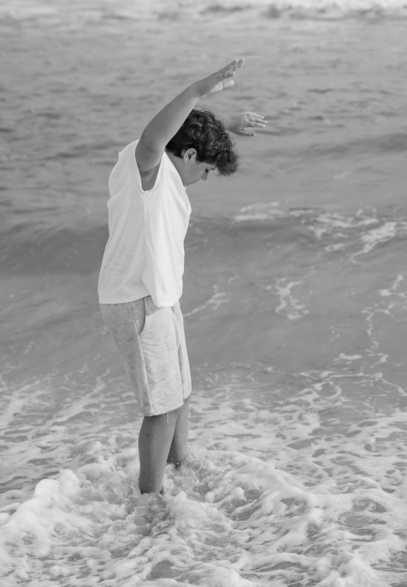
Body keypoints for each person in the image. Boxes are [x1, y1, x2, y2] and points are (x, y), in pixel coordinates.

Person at [98, 60, 265, 494]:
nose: (204, 180)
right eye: (206, 170)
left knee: (181, 395)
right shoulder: (147, 171)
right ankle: (150, 499)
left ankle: (181, 467)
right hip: (137, 300)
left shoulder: (168, 168)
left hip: (161, 298)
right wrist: (199, 90)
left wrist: (221, 127)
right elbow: (157, 136)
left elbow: (177, 139)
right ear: (189, 155)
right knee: (161, 408)